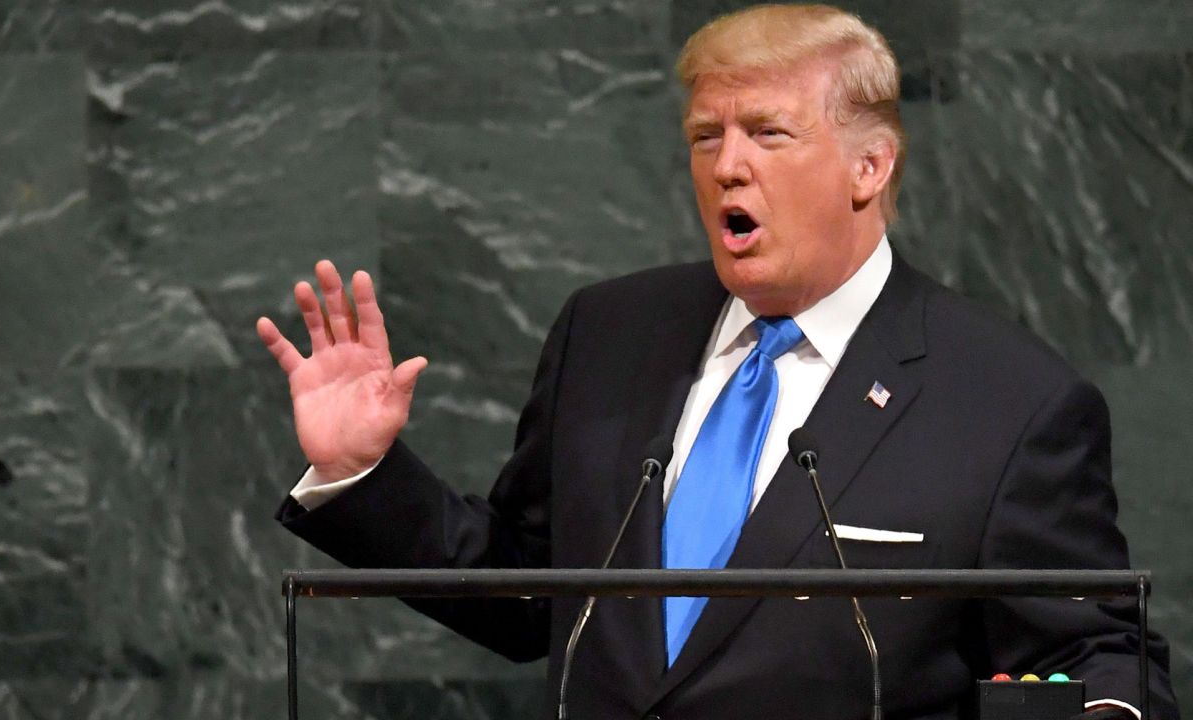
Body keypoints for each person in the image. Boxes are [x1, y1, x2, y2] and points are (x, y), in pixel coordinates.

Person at [259, 5, 1178, 719]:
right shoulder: (610, 334)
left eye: (767, 134)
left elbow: (1100, 653)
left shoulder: (1010, 402)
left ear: (870, 167)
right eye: (707, 136)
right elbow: (533, 590)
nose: (727, 166)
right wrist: (362, 471)